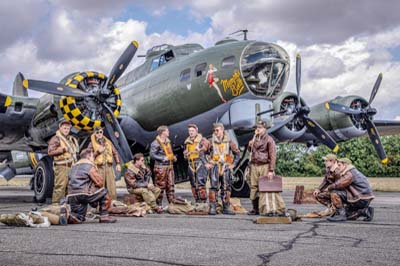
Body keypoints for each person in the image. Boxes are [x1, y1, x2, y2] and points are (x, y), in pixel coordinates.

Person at [66, 148, 116, 224]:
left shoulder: (74, 166)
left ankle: (71, 217)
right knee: (104, 192)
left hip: (71, 195)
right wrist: (95, 198)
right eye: (93, 156)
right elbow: (99, 182)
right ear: (89, 156)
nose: (93, 159)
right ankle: (104, 216)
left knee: (79, 217)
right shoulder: (89, 166)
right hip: (84, 194)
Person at [205, 123, 240, 215]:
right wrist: (207, 163)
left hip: (225, 167)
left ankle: (226, 207)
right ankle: (213, 207)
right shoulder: (210, 141)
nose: (216, 132)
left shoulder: (229, 141)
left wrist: (233, 164)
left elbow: (237, 154)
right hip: (214, 167)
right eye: (215, 130)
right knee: (213, 187)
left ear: (222, 130)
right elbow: (202, 153)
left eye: (218, 130)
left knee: (226, 188)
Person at [326, 158, 375, 222]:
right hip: (364, 198)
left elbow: (339, 184)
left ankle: (341, 215)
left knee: (334, 193)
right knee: (348, 216)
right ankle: (365, 211)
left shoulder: (349, 173)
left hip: (360, 198)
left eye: (339, 165)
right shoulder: (353, 171)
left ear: (345, 165)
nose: (337, 167)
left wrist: (329, 188)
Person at [247, 120, 278, 215]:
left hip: (264, 165)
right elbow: (251, 151)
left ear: (264, 129)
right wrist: (249, 146)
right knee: (254, 187)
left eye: (260, 128)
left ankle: (264, 208)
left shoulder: (269, 139)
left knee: (264, 187)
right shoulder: (254, 138)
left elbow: (272, 156)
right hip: (254, 165)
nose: (258, 129)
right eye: (257, 128)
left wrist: (271, 170)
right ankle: (255, 208)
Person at [48, 120, 79, 204]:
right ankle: (56, 205)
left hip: (71, 166)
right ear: (60, 128)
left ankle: (67, 206)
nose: (66, 130)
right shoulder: (56, 139)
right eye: (64, 128)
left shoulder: (69, 139)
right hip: (61, 166)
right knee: (60, 186)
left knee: (69, 187)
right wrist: (62, 150)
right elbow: (50, 152)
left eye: (68, 128)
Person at [88, 126, 121, 201]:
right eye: (97, 132)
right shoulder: (91, 143)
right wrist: (98, 152)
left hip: (109, 167)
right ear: (94, 133)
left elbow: (115, 152)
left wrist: (118, 163)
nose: (99, 134)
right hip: (99, 167)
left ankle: (113, 202)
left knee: (111, 186)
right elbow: (89, 156)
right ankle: (99, 205)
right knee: (99, 186)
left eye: (100, 132)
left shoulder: (108, 142)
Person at [150, 125, 177, 205]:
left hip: (169, 166)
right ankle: (158, 204)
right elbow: (152, 155)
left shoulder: (167, 142)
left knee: (170, 186)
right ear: (163, 133)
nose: (168, 132)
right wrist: (162, 158)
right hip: (160, 167)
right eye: (167, 131)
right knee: (160, 186)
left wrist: (172, 157)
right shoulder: (155, 143)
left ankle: (172, 203)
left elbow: (168, 153)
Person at [184, 124, 210, 203]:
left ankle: (203, 201)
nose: (191, 133)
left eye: (192, 131)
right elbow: (185, 155)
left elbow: (207, 147)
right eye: (189, 131)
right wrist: (185, 154)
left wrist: (200, 149)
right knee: (193, 184)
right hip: (191, 163)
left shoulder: (202, 140)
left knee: (201, 182)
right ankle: (197, 200)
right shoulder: (187, 142)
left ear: (196, 131)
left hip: (200, 162)